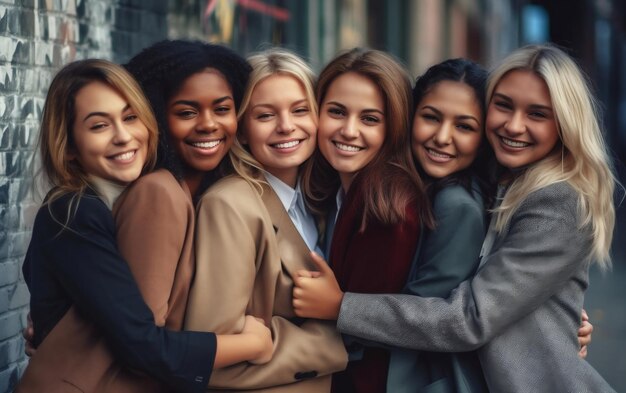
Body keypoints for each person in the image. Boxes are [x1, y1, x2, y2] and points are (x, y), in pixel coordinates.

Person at [297, 44, 617, 392]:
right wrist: (561, 313)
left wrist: (341, 306)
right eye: (504, 105)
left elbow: (470, 319)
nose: (513, 125)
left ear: (565, 123)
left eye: (537, 114)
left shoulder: (555, 202)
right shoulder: (498, 180)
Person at [17, 59, 272, 393]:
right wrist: (254, 344)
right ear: (69, 150)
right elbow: (141, 344)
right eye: (99, 126)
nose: (123, 137)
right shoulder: (73, 212)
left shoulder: (125, 200)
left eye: (130, 117)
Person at [184, 49, 348, 392]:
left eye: (300, 110)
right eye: (265, 115)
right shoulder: (229, 205)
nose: (286, 126)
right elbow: (212, 351)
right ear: (241, 130)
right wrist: (335, 341)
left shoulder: (316, 202)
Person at [296, 48, 432, 393]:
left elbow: (364, 339)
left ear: (394, 126)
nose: (349, 130)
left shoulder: (388, 211)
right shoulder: (335, 191)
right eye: (336, 112)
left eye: (370, 119)